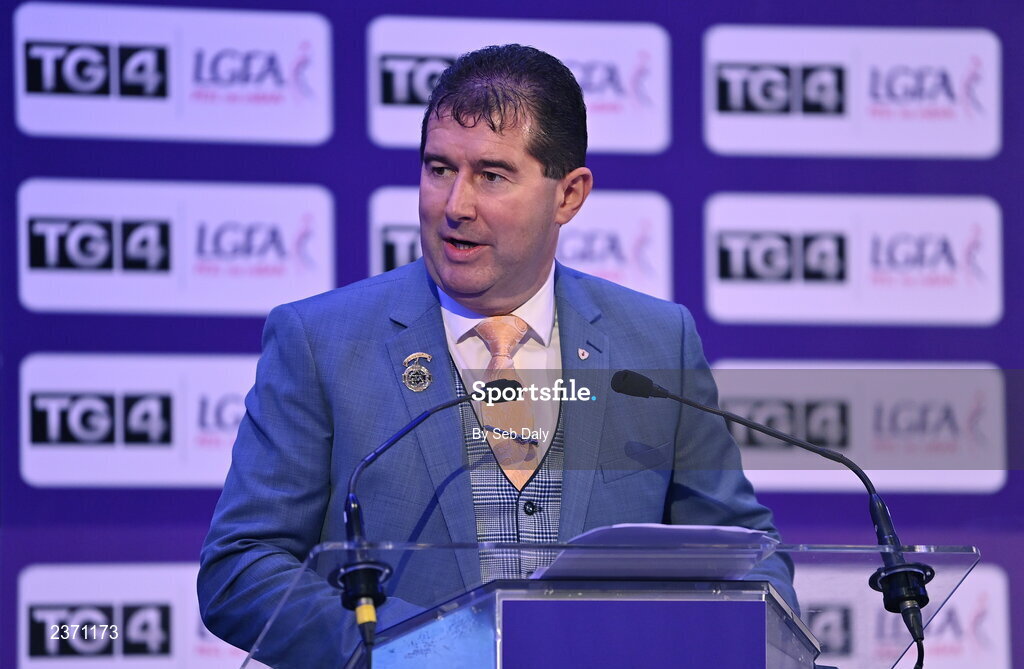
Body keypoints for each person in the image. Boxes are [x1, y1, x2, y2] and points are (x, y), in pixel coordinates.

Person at [199, 44, 794, 668]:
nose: (455, 205)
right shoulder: (321, 340)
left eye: (491, 174)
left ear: (569, 195)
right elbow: (242, 567)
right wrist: (423, 650)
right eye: (437, 168)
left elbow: (748, 553)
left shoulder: (654, 340)